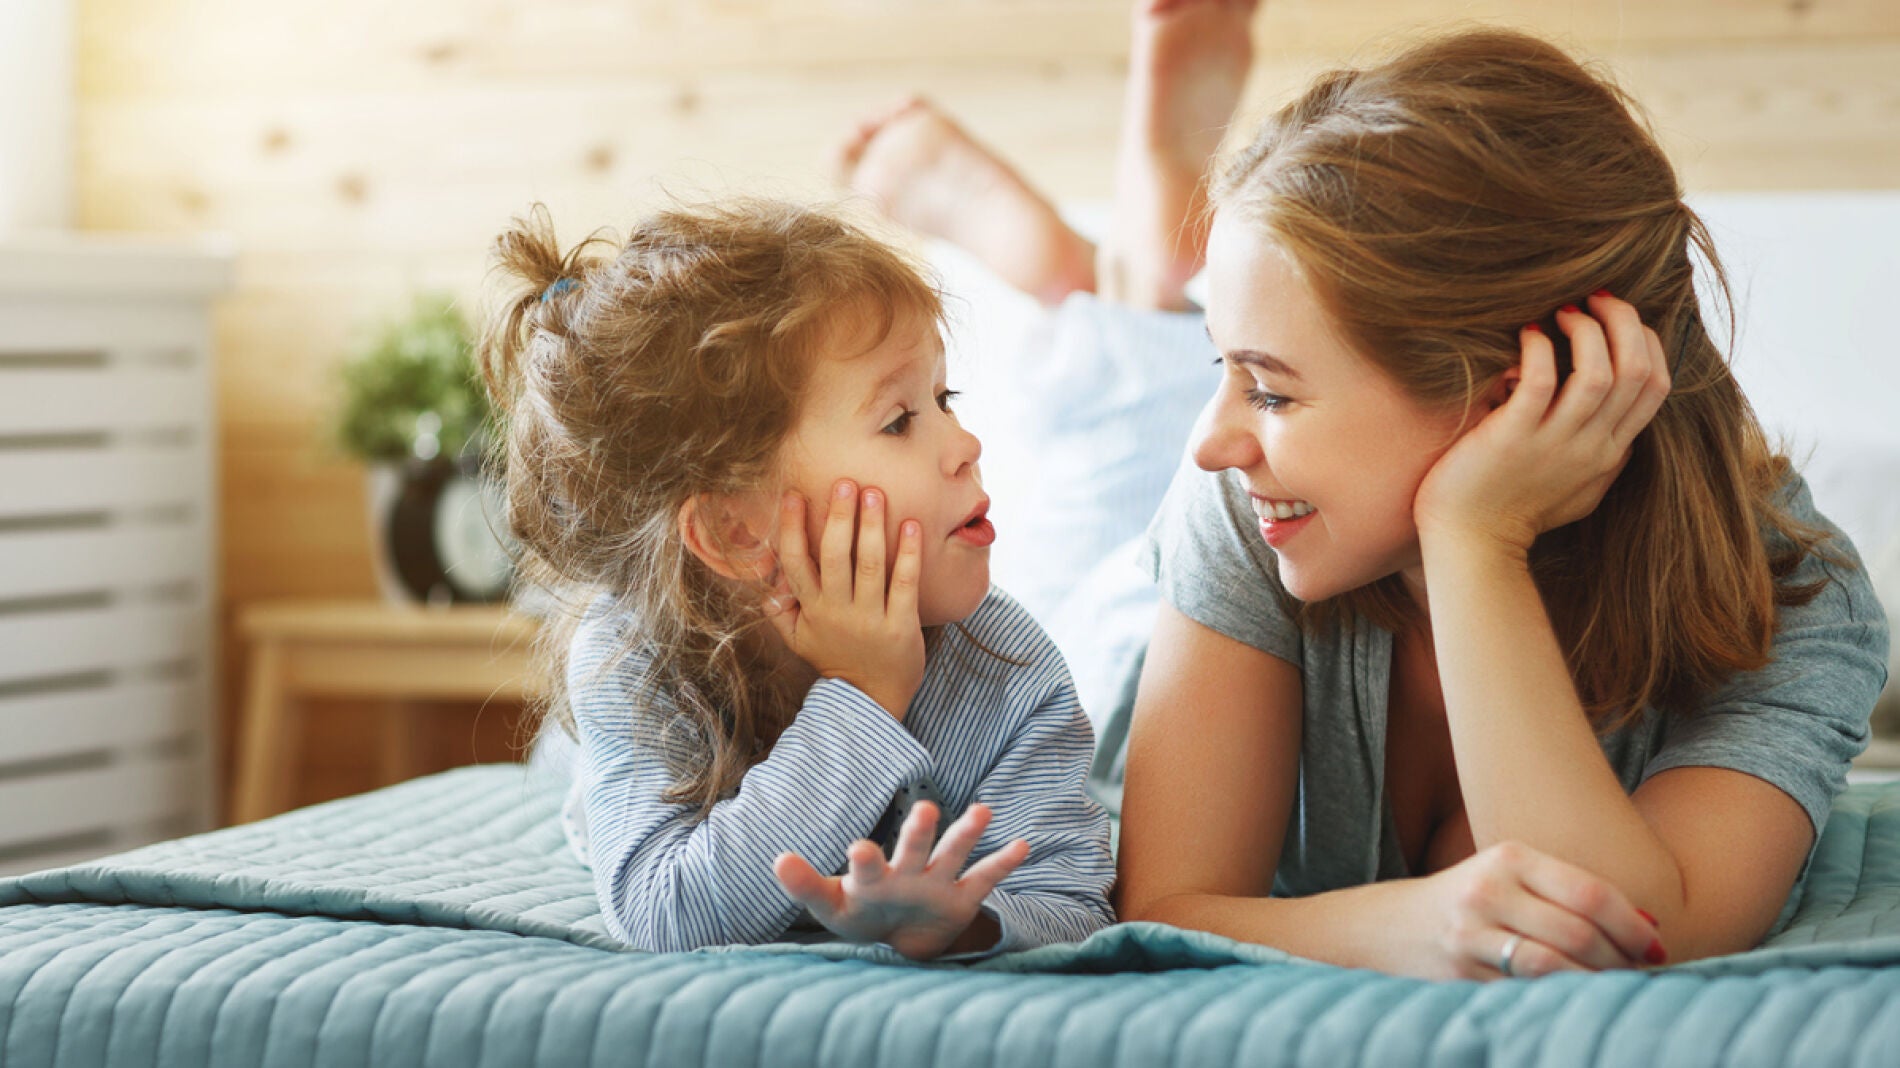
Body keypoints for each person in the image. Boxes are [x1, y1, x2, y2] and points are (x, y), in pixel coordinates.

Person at [838, 0, 1890, 980]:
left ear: (1514, 394)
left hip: (1317, 518)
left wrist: (1474, 537)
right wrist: (1409, 925)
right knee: (1104, 511)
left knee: (1136, 440)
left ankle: (1132, 282)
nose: (1213, 445)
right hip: (1116, 647)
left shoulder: (1795, 601)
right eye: (1230, 374)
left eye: (1271, 390)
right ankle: (1125, 266)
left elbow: (1635, 937)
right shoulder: (1239, 507)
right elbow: (1160, 903)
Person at [479, 200, 1115, 960]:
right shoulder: (634, 657)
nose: (966, 444)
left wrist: (964, 920)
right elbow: (663, 913)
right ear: (736, 532)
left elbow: (1074, 901)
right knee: (575, 765)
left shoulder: (1007, 667)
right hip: (602, 757)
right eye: (899, 420)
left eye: (945, 400)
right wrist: (862, 696)